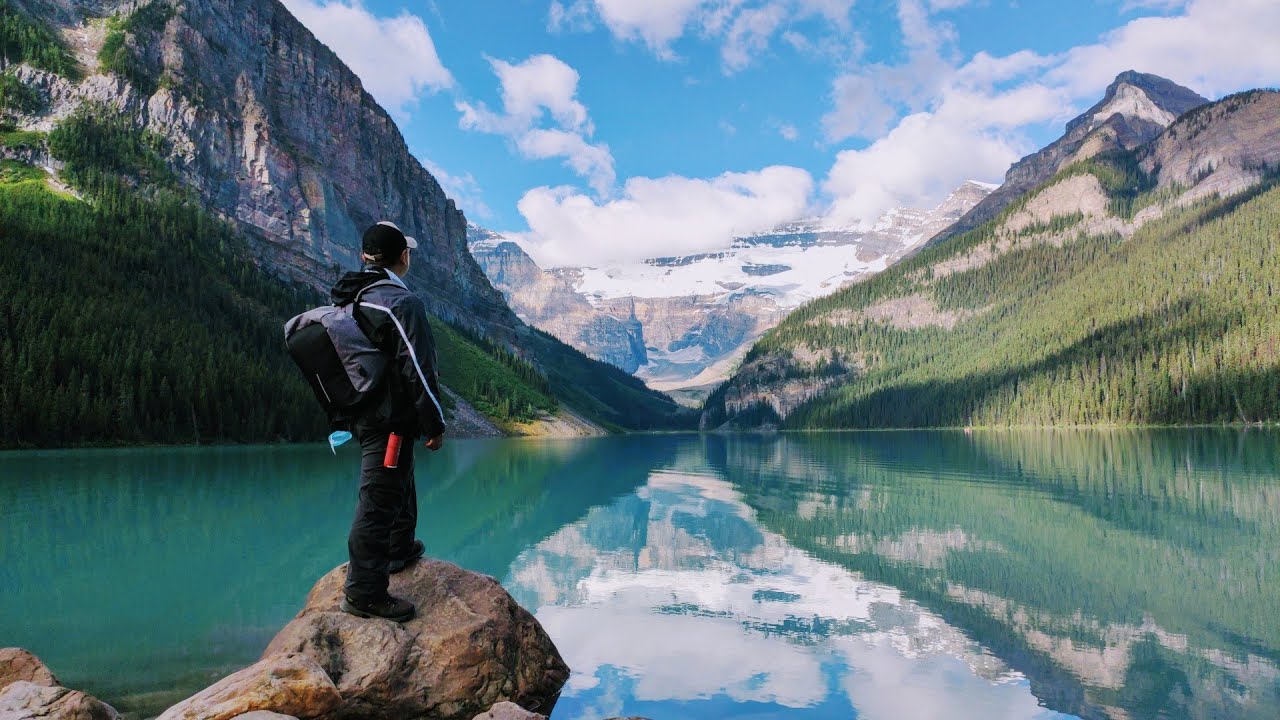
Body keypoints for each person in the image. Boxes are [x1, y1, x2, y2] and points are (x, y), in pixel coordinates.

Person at [329, 220, 446, 622]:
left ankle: (399, 548)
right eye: (407, 252)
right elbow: (417, 366)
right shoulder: (399, 302)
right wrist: (434, 424)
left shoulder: (351, 297)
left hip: (363, 413)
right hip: (389, 420)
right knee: (378, 499)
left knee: (398, 480)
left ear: (365, 257)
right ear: (403, 257)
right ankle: (364, 594)